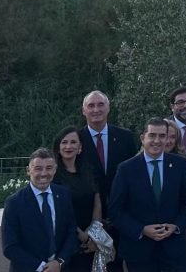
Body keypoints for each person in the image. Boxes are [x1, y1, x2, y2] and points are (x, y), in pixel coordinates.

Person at [108, 118, 186, 272]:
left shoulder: (179, 165)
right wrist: (141, 229)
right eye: (152, 135)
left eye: (162, 136)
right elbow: (116, 211)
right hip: (139, 250)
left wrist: (176, 226)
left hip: (173, 249)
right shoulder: (126, 169)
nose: (157, 141)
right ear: (143, 138)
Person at [78, 90, 138, 271]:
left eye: (100, 104)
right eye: (91, 105)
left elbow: (133, 177)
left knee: (117, 265)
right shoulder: (74, 140)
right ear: (83, 111)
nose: (96, 109)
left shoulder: (125, 137)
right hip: (86, 221)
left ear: (108, 108)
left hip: (120, 216)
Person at [2, 148, 79, 272]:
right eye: (38, 168)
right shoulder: (14, 203)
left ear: (55, 170)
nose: (44, 173)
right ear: (28, 170)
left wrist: (59, 262)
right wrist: (41, 267)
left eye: (49, 168)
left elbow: (71, 231)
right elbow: (10, 247)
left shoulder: (63, 194)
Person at [51, 127, 103, 272]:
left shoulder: (88, 170)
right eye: (64, 142)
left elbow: (96, 200)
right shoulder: (54, 177)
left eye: (73, 142)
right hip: (68, 242)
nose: (69, 146)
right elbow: (62, 214)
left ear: (80, 147)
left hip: (92, 242)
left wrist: (94, 235)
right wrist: (84, 238)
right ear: (58, 147)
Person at [163, 120, 186, 207]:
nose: (168, 141)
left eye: (172, 137)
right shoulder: (138, 163)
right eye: (164, 136)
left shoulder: (183, 163)